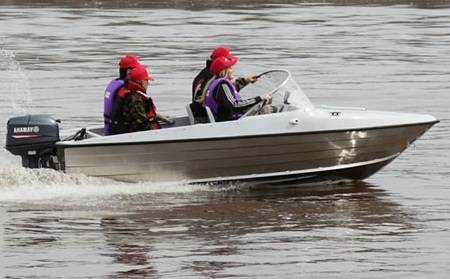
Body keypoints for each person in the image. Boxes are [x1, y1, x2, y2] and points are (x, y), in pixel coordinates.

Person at [205, 55, 271, 122]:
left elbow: (230, 95)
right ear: (224, 71)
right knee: (269, 110)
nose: (233, 70)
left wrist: (246, 81)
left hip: (229, 119)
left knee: (266, 108)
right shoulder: (223, 85)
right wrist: (259, 98)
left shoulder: (216, 83)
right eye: (230, 68)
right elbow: (235, 105)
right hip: (229, 122)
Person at [110, 64, 161, 134]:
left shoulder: (132, 93)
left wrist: (156, 117)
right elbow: (140, 123)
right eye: (146, 80)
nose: (148, 83)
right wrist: (155, 129)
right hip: (133, 135)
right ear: (140, 82)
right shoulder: (136, 99)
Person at [190, 46, 234, 121]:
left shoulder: (203, 74)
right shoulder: (212, 76)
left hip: (200, 115)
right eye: (228, 61)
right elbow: (223, 95)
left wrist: (244, 81)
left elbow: (223, 93)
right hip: (207, 118)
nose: (232, 67)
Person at [103, 55, 141, 135]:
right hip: (121, 133)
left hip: (110, 129)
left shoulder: (115, 84)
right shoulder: (126, 90)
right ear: (128, 71)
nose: (139, 71)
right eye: (136, 69)